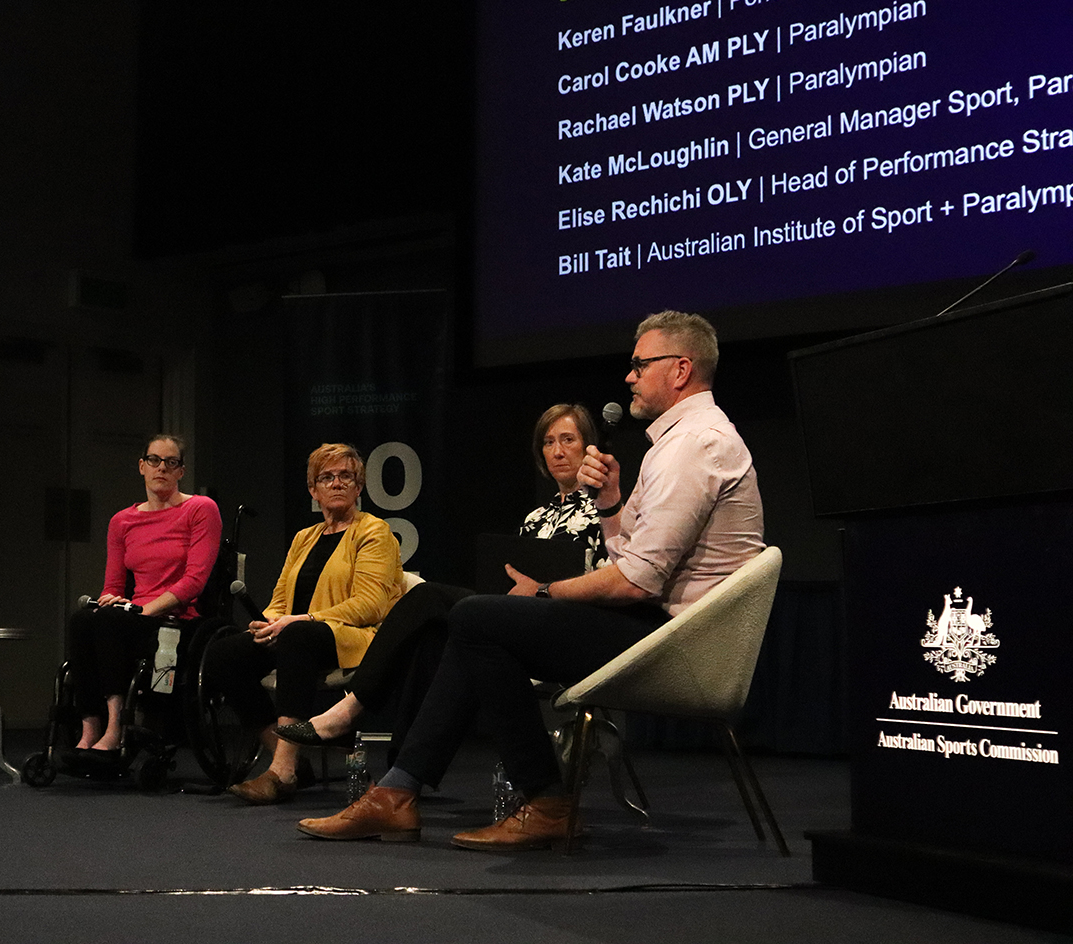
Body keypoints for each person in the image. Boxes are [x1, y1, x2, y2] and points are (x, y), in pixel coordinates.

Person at [298, 311, 764, 848]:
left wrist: (543, 591)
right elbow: (628, 554)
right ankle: (402, 793)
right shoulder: (678, 443)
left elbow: (635, 581)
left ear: (680, 370)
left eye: (640, 364)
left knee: (476, 618)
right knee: (475, 624)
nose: (629, 376)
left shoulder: (694, 445)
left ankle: (535, 801)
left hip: (675, 642)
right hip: (657, 627)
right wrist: (611, 502)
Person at [276, 404, 607, 763]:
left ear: (589, 446)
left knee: (427, 596)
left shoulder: (605, 510)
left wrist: (544, 589)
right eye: (548, 442)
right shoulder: (536, 517)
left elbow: (611, 581)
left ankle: (348, 711)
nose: (557, 451)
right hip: (513, 618)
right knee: (432, 635)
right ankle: (400, 775)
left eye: (568, 440)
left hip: (564, 626)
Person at [208, 443, 405, 805]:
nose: (337, 484)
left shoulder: (375, 533)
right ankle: (291, 755)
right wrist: (266, 623)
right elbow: (281, 599)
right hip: (298, 632)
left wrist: (299, 620)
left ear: (359, 486)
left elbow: (370, 604)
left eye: (346, 476)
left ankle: (282, 771)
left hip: (350, 636)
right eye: (326, 477)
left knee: (297, 636)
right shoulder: (304, 538)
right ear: (313, 490)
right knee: (223, 653)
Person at [66, 434, 221, 761]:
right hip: (132, 616)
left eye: (171, 462)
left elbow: (194, 581)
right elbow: (112, 586)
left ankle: (115, 726)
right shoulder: (122, 521)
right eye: (154, 460)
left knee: (110, 622)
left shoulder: (200, 509)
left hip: (178, 620)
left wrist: (142, 610)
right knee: (83, 621)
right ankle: (90, 726)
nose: (161, 468)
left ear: (181, 471)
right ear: (141, 466)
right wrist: (110, 600)